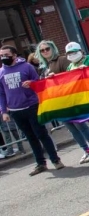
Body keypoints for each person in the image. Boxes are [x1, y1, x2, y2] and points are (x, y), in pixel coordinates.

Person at [35, 40, 89, 164]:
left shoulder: (61, 60)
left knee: (80, 125)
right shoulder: (44, 66)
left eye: (47, 49)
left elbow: (72, 75)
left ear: (53, 48)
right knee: (71, 128)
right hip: (58, 102)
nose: (45, 52)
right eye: (42, 50)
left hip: (70, 98)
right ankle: (87, 150)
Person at [0, 45, 64, 176]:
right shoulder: (1, 72)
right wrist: (4, 111)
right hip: (15, 110)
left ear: (14, 55)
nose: (3, 57)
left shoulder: (27, 67)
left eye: (6, 55)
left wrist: (31, 83)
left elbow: (38, 82)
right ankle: (40, 163)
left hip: (32, 106)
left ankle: (55, 160)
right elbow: (1, 93)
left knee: (41, 134)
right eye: (1, 55)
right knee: (30, 137)